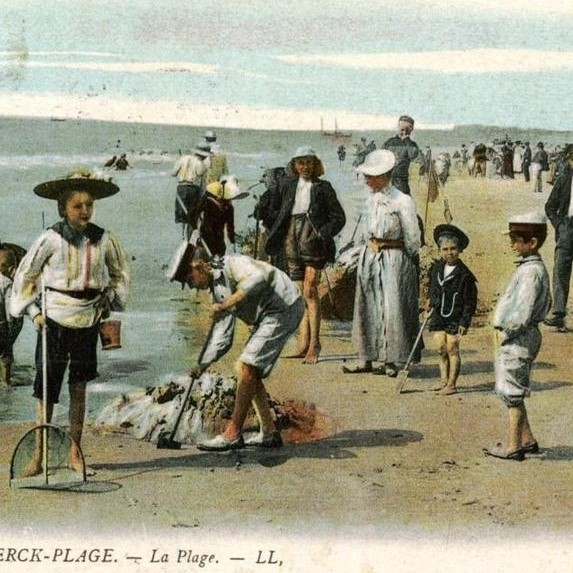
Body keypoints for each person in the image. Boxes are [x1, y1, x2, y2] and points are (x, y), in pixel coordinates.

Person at [10, 171, 130, 476]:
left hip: (88, 319)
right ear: (64, 208)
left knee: (79, 388)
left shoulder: (104, 238)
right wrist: (33, 311)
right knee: (46, 391)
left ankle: (76, 453)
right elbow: (26, 276)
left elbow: (120, 275)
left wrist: (110, 300)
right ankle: (38, 455)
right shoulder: (50, 238)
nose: (85, 211)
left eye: (89, 205)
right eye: (78, 206)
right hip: (53, 321)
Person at [170, 246, 304, 451]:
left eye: (189, 279)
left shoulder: (232, 264)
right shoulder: (216, 290)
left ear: (199, 266)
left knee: (247, 366)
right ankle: (269, 432)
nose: (192, 286)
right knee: (247, 369)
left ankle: (232, 433)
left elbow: (261, 277)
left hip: (284, 307)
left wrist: (227, 304)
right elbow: (223, 337)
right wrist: (202, 365)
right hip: (267, 316)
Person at [342, 150, 421, 378]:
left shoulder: (402, 200)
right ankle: (366, 358)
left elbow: (412, 237)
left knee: (390, 307)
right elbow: (362, 231)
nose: (366, 180)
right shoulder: (369, 199)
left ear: (385, 175)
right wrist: (356, 253)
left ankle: (390, 360)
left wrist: (408, 261)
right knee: (367, 305)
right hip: (370, 255)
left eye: (371, 176)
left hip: (393, 257)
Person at [265, 146, 346, 364]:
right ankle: (302, 344)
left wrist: (323, 233)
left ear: (315, 164)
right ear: (294, 165)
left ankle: (315, 345)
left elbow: (339, 218)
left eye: (309, 162)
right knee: (298, 293)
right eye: (300, 162)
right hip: (292, 238)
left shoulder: (324, 187)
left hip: (313, 241)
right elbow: (273, 210)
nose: (305, 167)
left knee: (310, 291)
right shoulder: (287, 185)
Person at [483, 212, 550, 461]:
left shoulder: (530, 273)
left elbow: (522, 311)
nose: (512, 244)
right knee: (513, 386)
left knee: (512, 391)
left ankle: (513, 446)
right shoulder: (530, 268)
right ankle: (527, 439)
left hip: (517, 336)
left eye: (516, 239)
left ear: (532, 243)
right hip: (520, 336)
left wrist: (506, 331)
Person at [427, 224, 478, 395]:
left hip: (455, 317)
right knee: (441, 348)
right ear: (440, 251)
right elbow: (433, 289)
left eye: (453, 249)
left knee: (452, 347)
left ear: (460, 249)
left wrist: (465, 321)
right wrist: (430, 304)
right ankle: (443, 381)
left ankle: (452, 384)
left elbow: (470, 301)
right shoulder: (436, 269)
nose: (449, 253)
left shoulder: (465, 275)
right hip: (439, 315)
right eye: (445, 249)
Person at [543, 143, 573, 331]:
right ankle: (559, 312)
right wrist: (560, 225)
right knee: (561, 269)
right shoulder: (563, 179)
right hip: (567, 228)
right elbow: (550, 206)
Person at [172, 146, 211, 238]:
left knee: (182, 215)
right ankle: (188, 237)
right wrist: (202, 195)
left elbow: (173, 173)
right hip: (193, 189)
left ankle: (182, 236)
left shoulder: (182, 159)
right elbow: (202, 181)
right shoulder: (201, 164)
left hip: (181, 188)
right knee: (192, 215)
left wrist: (180, 166)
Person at [0, 245, 25, 386]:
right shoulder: (6, 281)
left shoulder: (16, 253)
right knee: (6, 351)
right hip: (6, 321)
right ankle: (6, 382)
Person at [199, 176, 240, 256]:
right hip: (210, 236)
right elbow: (230, 227)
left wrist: (232, 240)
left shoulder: (228, 207)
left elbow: (230, 227)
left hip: (213, 236)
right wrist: (232, 240)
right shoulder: (209, 202)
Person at [381, 115, 419, 194]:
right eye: (402, 129)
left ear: (411, 130)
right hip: (387, 180)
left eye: (407, 130)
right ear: (398, 127)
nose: (404, 132)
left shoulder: (411, 144)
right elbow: (381, 155)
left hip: (401, 183)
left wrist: (407, 140)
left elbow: (413, 155)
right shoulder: (390, 142)